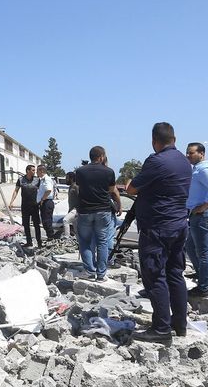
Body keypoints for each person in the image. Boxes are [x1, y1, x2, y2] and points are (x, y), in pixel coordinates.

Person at [126, 122, 192, 343]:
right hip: (179, 224)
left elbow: (132, 188)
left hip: (158, 226)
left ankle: (161, 329)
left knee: (154, 276)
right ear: (174, 139)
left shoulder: (156, 161)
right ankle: (179, 324)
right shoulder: (184, 161)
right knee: (175, 273)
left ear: (154, 141)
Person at [74, 146, 120, 280]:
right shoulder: (109, 171)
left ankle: (89, 271)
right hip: (103, 210)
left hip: (85, 210)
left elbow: (78, 188)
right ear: (101, 157)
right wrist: (118, 205)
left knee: (85, 241)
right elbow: (111, 190)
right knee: (102, 242)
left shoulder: (80, 171)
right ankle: (101, 274)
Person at [184, 143, 208, 297]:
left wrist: (203, 206)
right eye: (187, 153)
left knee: (204, 253)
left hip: (203, 214)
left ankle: (204, 288)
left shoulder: (203, 169)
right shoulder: (198, 169)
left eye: (191, 153)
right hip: (204, 213)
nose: (188, 156)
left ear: (201, 153)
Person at [9, 165, 42, 248]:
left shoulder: (37, 180)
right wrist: (11, 202)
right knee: (26, 225)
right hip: (25, 206)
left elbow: (41, 191)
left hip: (35, 206)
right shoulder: (21, 180)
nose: (34, 172)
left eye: (34, 170)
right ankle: (29, 242)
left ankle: (39, 242)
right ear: (28, 171)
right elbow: (16, 191)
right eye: (33, 170)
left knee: (36, 225)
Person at [36, 164, 57, 239]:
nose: (36, 172)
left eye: (37, 171)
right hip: (45, 202)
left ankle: (51, 237)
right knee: (45, 222)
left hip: (46, 202)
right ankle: (50, 237)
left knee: (47, 221)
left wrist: (42, 199)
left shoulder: (46, 179)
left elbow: (48, 190)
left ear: (41, 171)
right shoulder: (42, 179)